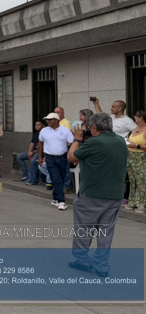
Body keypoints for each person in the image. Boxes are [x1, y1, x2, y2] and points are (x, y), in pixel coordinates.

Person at [67, 113, 128, 277]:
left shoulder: (94, 142)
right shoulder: (120, 141)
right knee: (106, 231)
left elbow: (71, 157)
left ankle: (82, 261)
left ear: (94, 127)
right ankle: (102, 266)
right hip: (115, 194)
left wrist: (77, 139)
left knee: (83, 229)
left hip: (93, 193)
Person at [37, 112, 75, 210]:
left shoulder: (65, 131)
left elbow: (72, 143)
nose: (48, 121)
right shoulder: (44, 131)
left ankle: (55, 198)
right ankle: (61, 201)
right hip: (50, 158)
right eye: (47, 120)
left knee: (60, 179)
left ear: (57, 120)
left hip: (63, 157)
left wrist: (73, 156)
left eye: (50, 120)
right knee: (56, 178)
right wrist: (40, 157)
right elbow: (40, 144)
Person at [123, 110, 146, 212]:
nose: (134, 118)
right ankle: (132, 201)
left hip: (141, 158)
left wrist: (136, 145)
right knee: (133, 181)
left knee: (142, 181)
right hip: (131, 157)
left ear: (141, 118)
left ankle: (142, 204)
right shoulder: (136, 128)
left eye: (136, 116)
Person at [23, 120, 47, 184]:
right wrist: (29, 151)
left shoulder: (46, 133)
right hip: (35, 151)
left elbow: (42, 146)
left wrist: (33, 152)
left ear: (43, 126)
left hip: (42, 152)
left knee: (33, 160)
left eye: (38, 125)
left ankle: (32, 180)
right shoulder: (36, 134)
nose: (36, 126)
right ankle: (26, 175)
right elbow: (32, 143)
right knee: (19, 157)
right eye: (36, 125)